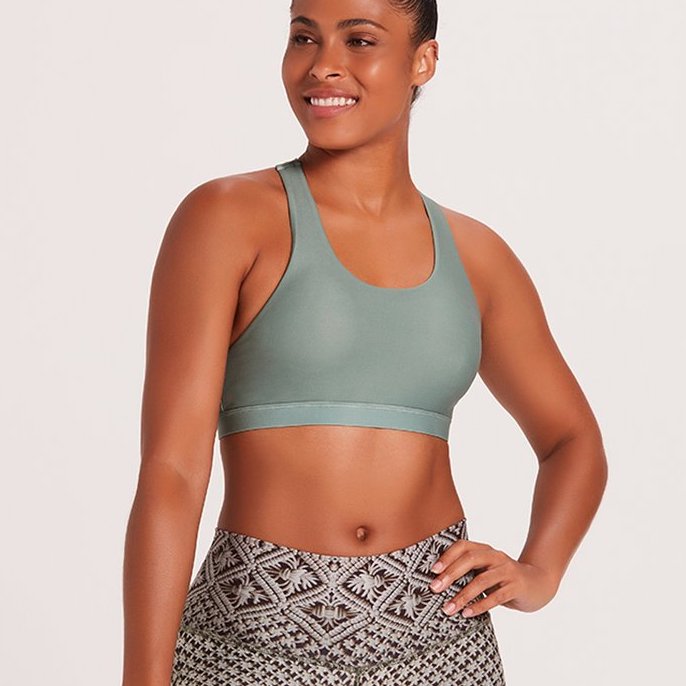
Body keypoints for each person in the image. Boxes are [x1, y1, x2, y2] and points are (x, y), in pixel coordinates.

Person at [121, 1, 608, 684]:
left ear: (423, 61)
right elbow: (171, 473)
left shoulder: (478, 257)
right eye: (304, 38)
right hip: (255, 636)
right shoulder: (227, 217)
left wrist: (539, 572)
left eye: (359, 40)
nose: (323, 65)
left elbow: (572, 441)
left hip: (439, 640)